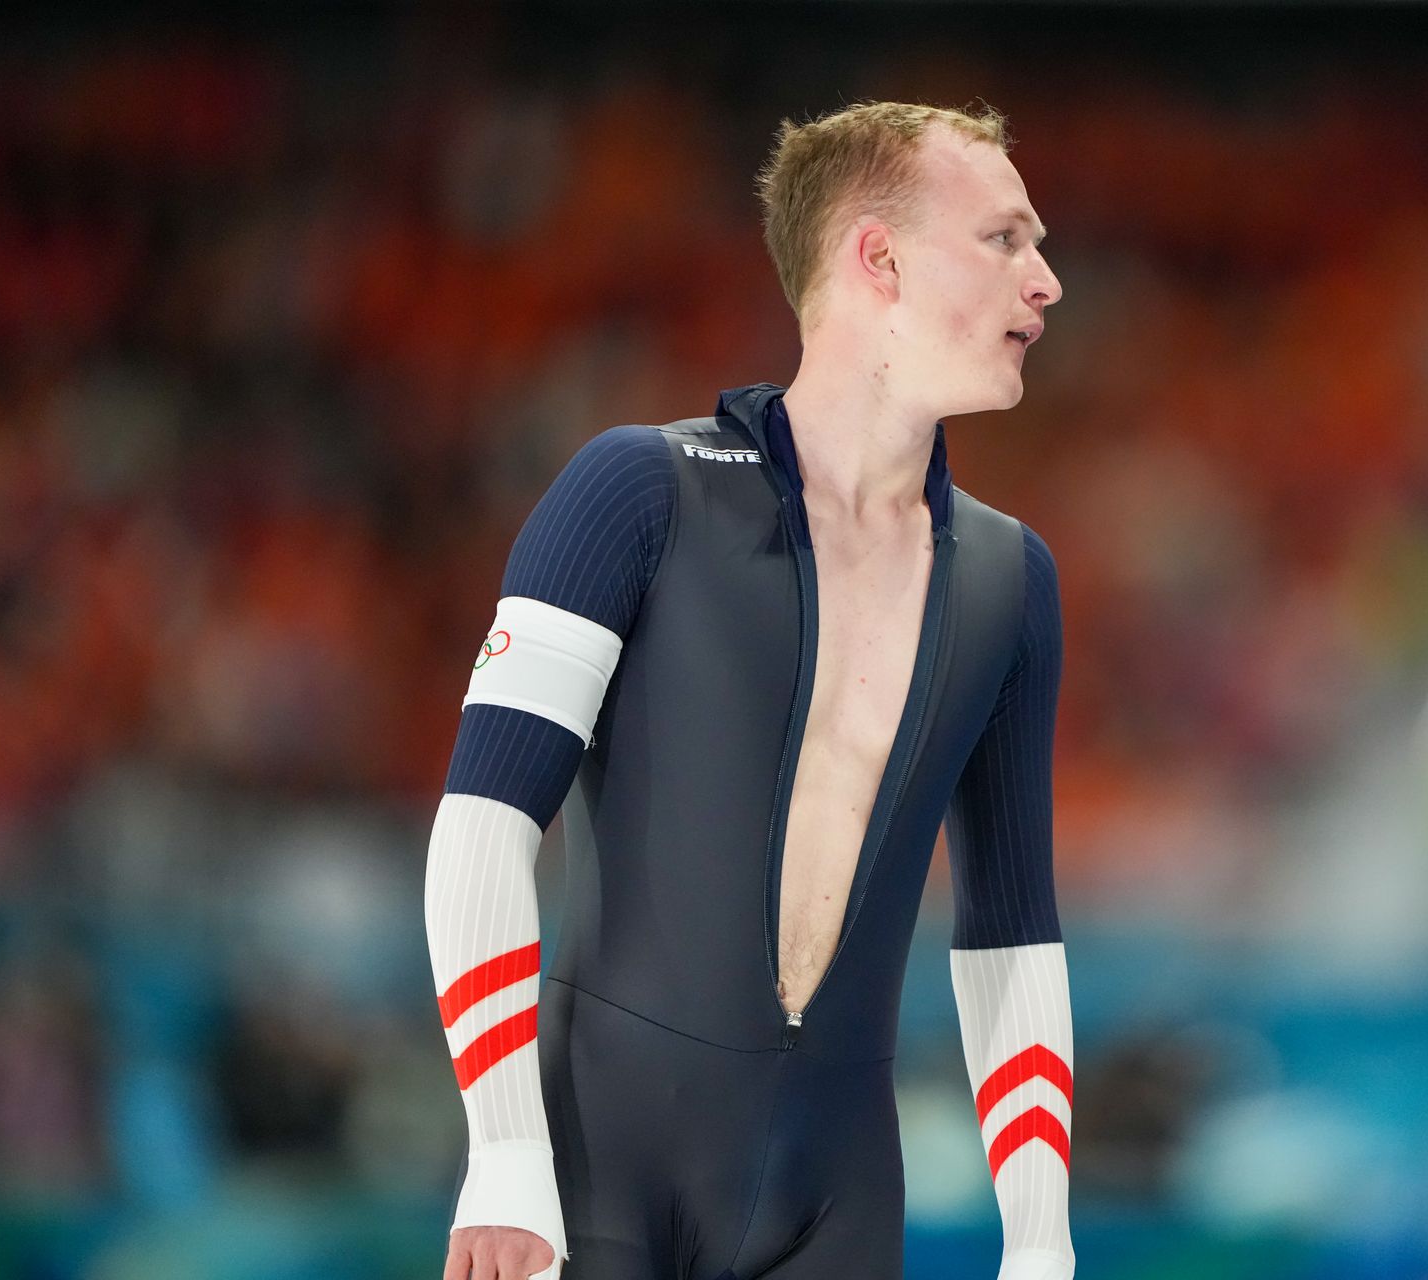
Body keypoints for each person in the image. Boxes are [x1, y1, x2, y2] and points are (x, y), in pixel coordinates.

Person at [424, 99, 1074, 1280]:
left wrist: (1041, 1235)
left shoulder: (1007, 581)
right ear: (878, 256)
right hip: (595, 1179)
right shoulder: (636, 493)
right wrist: (505, 1147)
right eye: (1003, 239)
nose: (1046, 281)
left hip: (838, 1198)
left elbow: (1011, 931)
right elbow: (482, 823)